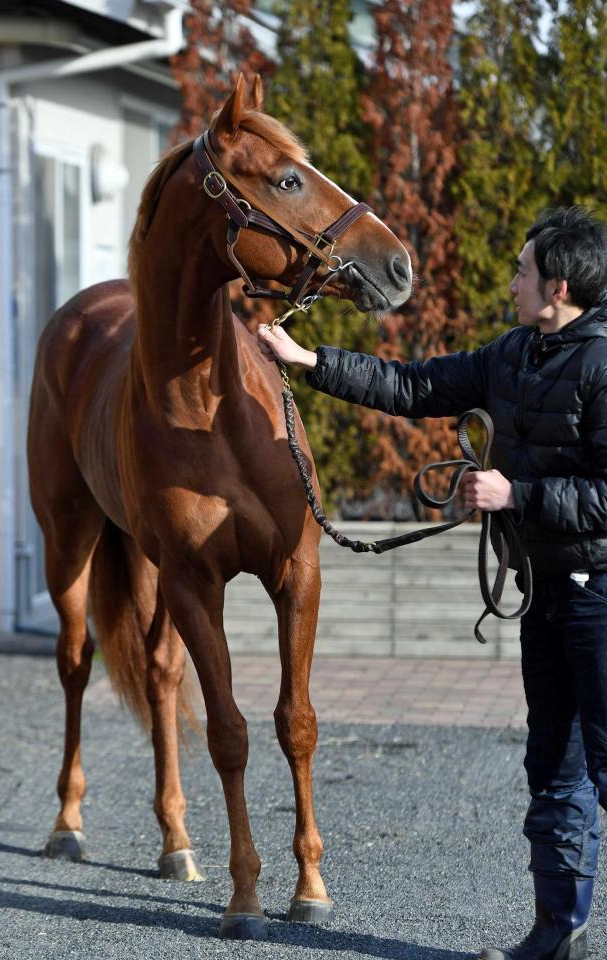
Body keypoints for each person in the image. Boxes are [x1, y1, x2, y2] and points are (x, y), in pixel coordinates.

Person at [258, 206, 607, 960]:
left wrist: (517, 496)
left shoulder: (603, 365)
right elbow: (416, 386)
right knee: (553, 769)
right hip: (545, 591)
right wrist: (309, 361)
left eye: (521, 269)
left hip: (600, 596)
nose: (510, 280)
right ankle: (556, 938)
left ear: (558, 285)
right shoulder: (515, 353)